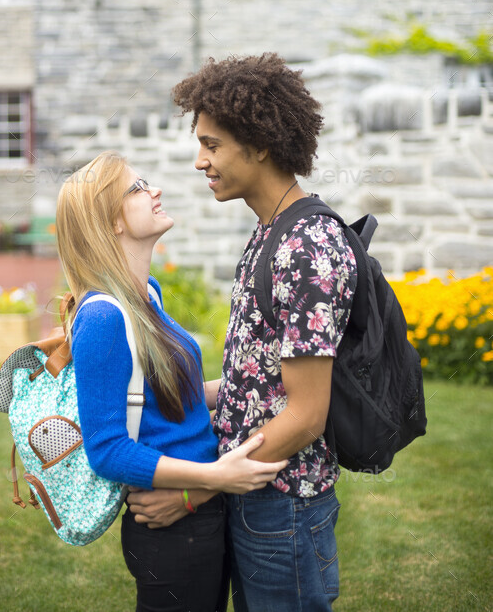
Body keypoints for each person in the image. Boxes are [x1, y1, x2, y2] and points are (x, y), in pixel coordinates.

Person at [127, 53, 358, 612]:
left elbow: (305, 414)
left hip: (284, 507)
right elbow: (260, 382)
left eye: (212, 145)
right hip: (254, 496)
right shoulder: (271, 231)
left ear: (258, 144)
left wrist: (196, 490)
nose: (199, 161)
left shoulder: (306, 246)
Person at [55, 150, 287, 612]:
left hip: (198, 511)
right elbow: (107, 448)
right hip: (169, 529)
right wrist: (215, 476)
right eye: (138, 188)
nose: (154, 190)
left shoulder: (148, 295)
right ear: (112, 222)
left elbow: (169, 398)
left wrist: (257, 382)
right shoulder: (102, 317)